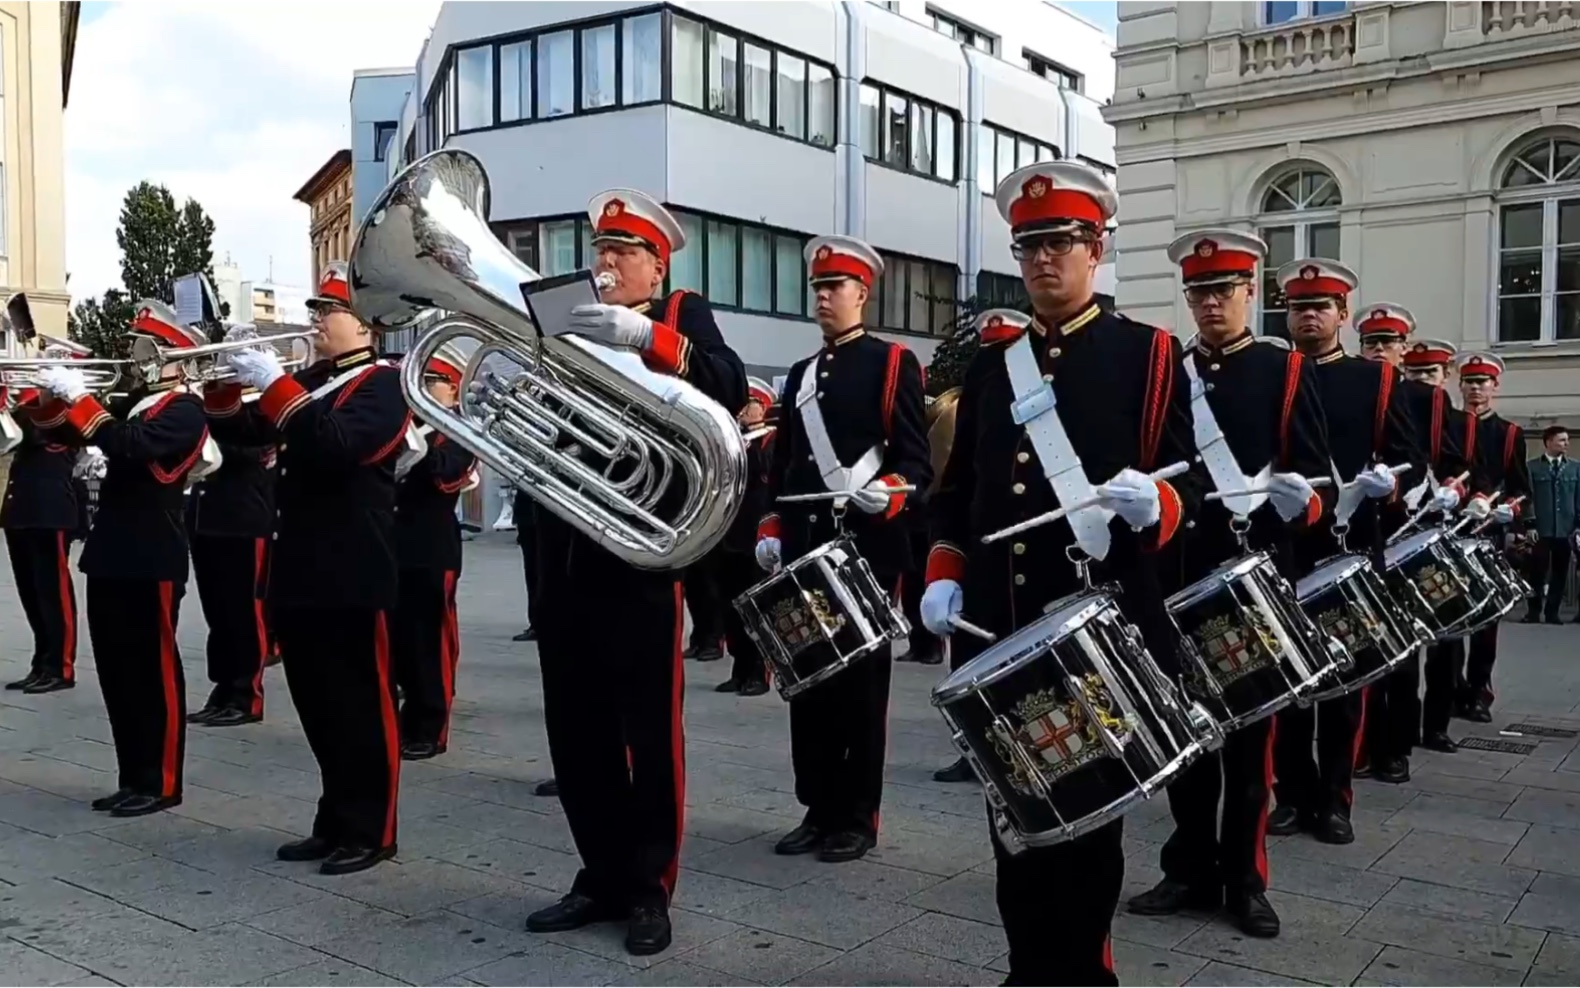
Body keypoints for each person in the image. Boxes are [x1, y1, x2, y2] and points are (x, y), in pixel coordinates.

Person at [919, 162, 1205, 986]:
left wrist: (1157, 502)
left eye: (1063, 242)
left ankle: (1082, 973)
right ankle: (1024, 967)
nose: (1046, 260)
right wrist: (944, 571)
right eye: (1031, 245)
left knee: (1086, 822)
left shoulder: (1147, 355)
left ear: (1098, 248)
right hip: (1001, 627)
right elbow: (957, 496)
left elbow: (1191, 482)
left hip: (1094, 629)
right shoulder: (988, 368)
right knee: (1011, 814)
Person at [523, 188, 745, 956]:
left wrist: (649, 338)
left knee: (646, 729)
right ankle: (600, 873)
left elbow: (729, 387)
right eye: (601, 251)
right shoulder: (570, 318)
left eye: (623, 252)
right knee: (574, 724)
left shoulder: (684, 315)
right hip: (565, 546)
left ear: (658, 265)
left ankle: (649, 885)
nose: (606, 263)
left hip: (642, 554)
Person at [1129, 230, 1330, 939]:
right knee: (1188, 738)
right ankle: (1187, 867)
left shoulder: (1286, 372)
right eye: (1199, 292)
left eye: (1224, 290)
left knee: (1249, 748)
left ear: (1251, 292)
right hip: (1178, 577)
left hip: (1251, 584)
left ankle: (1245, 880)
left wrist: (1299, 503)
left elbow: (1317, 482)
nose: (1211, 304)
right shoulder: (1165, 372)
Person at [207, 261, 411, 875]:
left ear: (367, 324)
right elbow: (245, 431)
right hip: (301, 564)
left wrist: (274, 383)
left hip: (353, 566)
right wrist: (222, 378)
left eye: (331, 311)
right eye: (317, 310)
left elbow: (338, 445)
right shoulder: (313, 382)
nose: (317, 321)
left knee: (361, 705)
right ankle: (336, 819)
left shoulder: (385, 384)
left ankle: (373, 828)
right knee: (319, 704)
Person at [755, 234, 929, 865]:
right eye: (819, 288)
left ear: (863, 293)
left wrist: (892, 491)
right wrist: (772, 526)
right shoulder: (800, 376)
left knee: (860, 690)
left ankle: (856, 815)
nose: (825, 298)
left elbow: (915, 459)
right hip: (807, 548)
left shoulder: (892, 364)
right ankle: (817, 805)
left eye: (836, 288)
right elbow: (783, 471)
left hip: (865, 550)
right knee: (808, 686)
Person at [33, 300, 211, 816]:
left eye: (147, 348)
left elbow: (131, 445)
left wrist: (82, 400)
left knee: (152, 671)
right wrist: (50, 392)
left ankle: (162, 780)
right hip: (110, 553)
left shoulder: (183, 409)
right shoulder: (134, 400)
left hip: (152, 554)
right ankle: (133, 775)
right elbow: (60, 433)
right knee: (117, 672)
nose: (136, 357)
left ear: (174, 356)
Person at [1265, 270, 1423, 820]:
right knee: (1289, 681)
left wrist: (1392, 484)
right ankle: (1292, 795)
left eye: (1322, 307)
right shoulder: (1273, 372)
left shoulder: (1375, 380)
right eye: (1298, 307)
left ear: (1341, 315)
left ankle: (1335, 800)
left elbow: (1411, 456)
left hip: (1350, 542)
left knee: (1346, 677)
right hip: (1285, 544)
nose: (1309, 316)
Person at [1398, 338, 1493, 754]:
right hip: (1402, 536)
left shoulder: (1461, 423)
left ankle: (1436, 725)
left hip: (1446, 539)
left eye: (1430, 375)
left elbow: (1478, 476)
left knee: (1446, 641)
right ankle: (1399, 733)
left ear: (1445, 377)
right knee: (1402, 648)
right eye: (1415, 375)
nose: (1422, 383)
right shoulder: (1397, 412)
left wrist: (1466, 495)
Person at [392, 343, 478, 761]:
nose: (421, 388)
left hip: (431, 549)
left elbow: (447, 475)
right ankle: (401, 720)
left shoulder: (463, 429)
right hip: (390, 546)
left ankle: (430, 727)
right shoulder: (403, 422)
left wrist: (417, 442)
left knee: (430, 643)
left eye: (431, 381)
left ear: (454, 390)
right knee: (398, 644)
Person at [185, 346, 277, 727]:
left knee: (244, 612)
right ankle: (222, 688)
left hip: (245, 517)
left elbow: (256, 448)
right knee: (217, 613)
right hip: (207, 516)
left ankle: (245, 694)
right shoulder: (214, 401)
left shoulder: (265, 403)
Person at [1456, 353, 1530, 719]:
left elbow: (1521, 489)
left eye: (1482, 382)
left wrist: (1511, 511)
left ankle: (1478, 691)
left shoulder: (1509, 433)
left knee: (1486, 620)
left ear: (1494, 387)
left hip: (1489, 535)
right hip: (1451, 531)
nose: (1475, 388)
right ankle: (1450, 689)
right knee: (1449, 617)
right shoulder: (1449, 426)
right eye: (1469, 381)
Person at [3, 375, 82, 695]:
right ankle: (41, 661)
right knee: (31, 594)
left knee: (53, 593)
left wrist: (17, 400)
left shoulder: (69, 413)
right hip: (21, 512)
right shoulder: (27, 411)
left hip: (51, 513)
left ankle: (60, 665)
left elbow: (33, 433)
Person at [712, 379, 775, 697]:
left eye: (748, 405)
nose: (742, 412)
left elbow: (766, 477)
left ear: (762, 407)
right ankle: (739, 669)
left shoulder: (770, 441)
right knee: (731, 607)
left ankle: (760, 672)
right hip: (729, 534)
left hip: (757, 536)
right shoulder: (732, 440)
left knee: (757, 607)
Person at [1525, 425, 1578, 624]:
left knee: (1560, 572)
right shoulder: (1532, 467)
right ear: (1548, 442)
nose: (1566, 444)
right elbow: (1527, 498)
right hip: (1541, 528)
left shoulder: (1575, 467)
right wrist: (1529, 523)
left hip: (1565, 528)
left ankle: (1552, 612)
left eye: (1567, 440)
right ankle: (1533, 611)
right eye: (1562, 440)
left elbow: (1578, 498)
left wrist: (1578, 525)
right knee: (1536, 572)